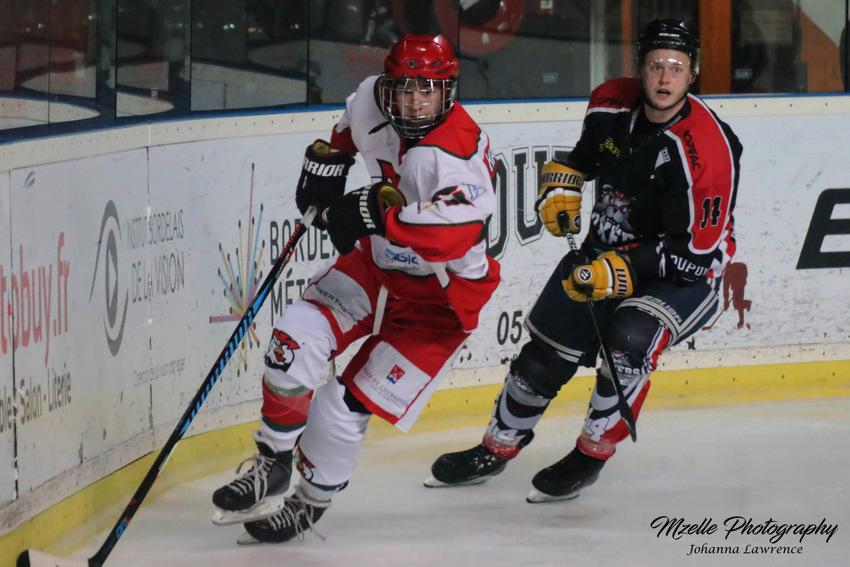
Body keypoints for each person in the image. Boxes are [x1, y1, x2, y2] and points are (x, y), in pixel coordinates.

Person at [426, 19, 743, 503]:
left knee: (629, 342)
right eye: (656, 64)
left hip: (683, 275)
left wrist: (621, 270)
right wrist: (562, 184)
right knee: (543, 356)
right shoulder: (610, 102)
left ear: (692, 74)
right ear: (640, 66)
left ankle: (591, 453)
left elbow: (695, 255)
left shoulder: (707, 151)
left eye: (676, 68)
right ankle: (496, 447)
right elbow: (583, 159)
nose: (664, 77)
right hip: (604, 251)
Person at [211, 34, 500, 542]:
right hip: (375, 266)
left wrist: (377, 214)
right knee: (295, 336)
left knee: (339, 407)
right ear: (387, 86)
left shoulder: (454, 152)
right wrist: (327, 165)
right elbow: (343, 135)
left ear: (448, 91)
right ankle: (273, 461)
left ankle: (309, 502)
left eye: (427, 90)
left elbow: (454, 233)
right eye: (404, 89)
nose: (415, 101)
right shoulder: (369, 99)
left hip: (440, 299)